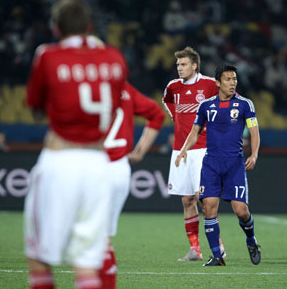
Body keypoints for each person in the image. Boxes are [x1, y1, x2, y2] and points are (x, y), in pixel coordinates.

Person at [24, 0, 128, 289]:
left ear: (55, 28)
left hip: (60, 159)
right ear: (90, 26)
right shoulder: (115, 58)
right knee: (86, 265)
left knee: (38, 257)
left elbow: (34, 105)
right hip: (99, 164)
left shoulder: (47, 55)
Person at [175, 64, 261, 266]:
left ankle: (251, 239)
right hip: (211, 164)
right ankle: (217, 256)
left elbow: (254, 131)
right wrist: (185, 148)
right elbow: (195, 131)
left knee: (241, 210)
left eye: (235, 79)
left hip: (234, 164)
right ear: (218, 83)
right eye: (228, 79)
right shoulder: (206, 106)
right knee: (209, 207)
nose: (233, 83)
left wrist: (254, 154)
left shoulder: (245, 104)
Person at [162, 46, 225, 261]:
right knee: (187, 200)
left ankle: (217, 244)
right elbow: (167, 101)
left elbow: (227, 101)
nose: (179, 68)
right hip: (180, 149)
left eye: (184, 64)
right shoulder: (173, 87)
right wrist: (177, 119)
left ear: (194, 65)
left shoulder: (208, 84)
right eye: (178, 65)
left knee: (202, 197)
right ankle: (195, 250)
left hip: (204, 149)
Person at [101, 81, 165, 289]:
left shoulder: (83, 85)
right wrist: (139, 152)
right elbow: (157, 115)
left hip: (93, 164)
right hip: (119, 168)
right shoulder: (125, 89)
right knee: (102, 237)